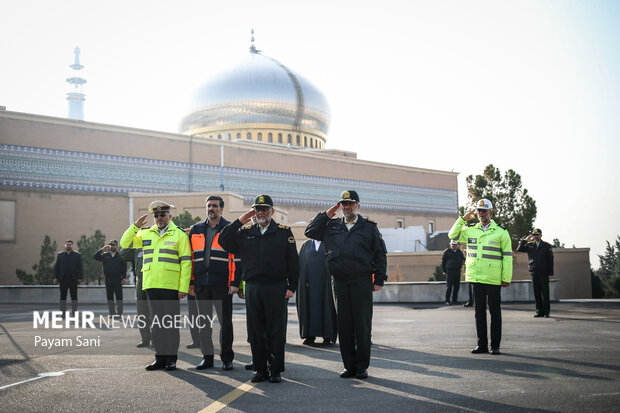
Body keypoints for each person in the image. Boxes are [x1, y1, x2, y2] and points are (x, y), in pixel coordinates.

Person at [305, 190, 387, 380]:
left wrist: (379, 279)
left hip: (361, 281)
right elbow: (309, 231)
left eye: (350, 204)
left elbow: (380, 254)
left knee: (363, 326)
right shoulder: (331, 225)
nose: (347, 207)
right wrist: (327, 214)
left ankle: (361, 367)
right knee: (344, 326)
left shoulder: (368, 227)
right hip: (340, 282)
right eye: (343, 204)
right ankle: (349, 366)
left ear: (358, 206)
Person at [219, 194, 299, 383]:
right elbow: (224, 241)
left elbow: (293, 263)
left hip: (276, 287)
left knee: (276, 330)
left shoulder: (283, 232)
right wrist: (240, 220)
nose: (261, 212)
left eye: (265, 209)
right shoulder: (245, 231)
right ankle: (260, 369)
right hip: (253, 287)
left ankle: (276, 369)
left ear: (272, 211)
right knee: (256, 331)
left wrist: (292, 286)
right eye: (257, 209)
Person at [120, 200, 192, 371]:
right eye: (157, 215)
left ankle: (171, 359)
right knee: (157, 324)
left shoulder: (179, 235)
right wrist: (135, 227)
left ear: (170, 216)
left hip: (171, 286)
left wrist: (183, 288)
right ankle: (160, 358)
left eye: (163, 214)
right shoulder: (146, 234)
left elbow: (186, 262)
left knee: (170, 324)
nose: (160, 218)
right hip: (151, 285)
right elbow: (125, 244)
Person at [448, 198, 512, 355]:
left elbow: (507, 256)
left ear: (491, 212)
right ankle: (482, 345)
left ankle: (495, 345)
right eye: (478, 211)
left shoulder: (501, 232)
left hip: (493, 277)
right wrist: (463, 218)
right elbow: (453, 235)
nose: (481, 214)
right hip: (476, 277)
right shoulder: (470, 230)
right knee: (479, 312)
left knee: (495, 312)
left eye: (484, 211)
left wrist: (506, 278)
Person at [188, 195, 241, 371]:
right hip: (202, 283)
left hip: (222, 284)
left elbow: (236, 258)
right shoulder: (195, 229)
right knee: (203, 322)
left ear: (221, 209)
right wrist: (191, 282)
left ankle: (227, 358)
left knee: (225, 323)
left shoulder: (229, 228)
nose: (211, 208)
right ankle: (207, 357)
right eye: (209, 206)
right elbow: (190, 258)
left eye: (215, 206)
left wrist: (234, 282)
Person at [296, 239, 337, 346]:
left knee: (326, 308)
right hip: (309, 285)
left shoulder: (329, 243)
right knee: (309, 308)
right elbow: (301, 264)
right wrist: (304, 280)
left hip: (326, 284)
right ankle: (309, 336)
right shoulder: (306, 245)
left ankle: (327, 336)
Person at [517, 228, 554, 317]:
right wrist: (525, 240)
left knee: (545, 293)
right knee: (536, 293)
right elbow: (519, 249)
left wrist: (550, 273)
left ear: (541, 235)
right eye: (534, 235)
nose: (535, 236)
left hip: (544, 272)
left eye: (537, 235)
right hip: (534, 272)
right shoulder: (529, 245)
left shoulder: (546, 245)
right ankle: (539, 312)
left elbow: (550, 260)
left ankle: (546, 312)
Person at [119, 246, 152, 347]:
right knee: (141, 311)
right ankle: (145, 339)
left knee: (153, 311)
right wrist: (133, 235)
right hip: (140, 279)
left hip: (153, 278)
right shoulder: (137, 248)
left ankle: (156, 339)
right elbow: (123, 254)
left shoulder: (155, 242)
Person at [93, 240, 127, 316]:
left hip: (118, 279)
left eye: (114, 245)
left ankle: (119, 313)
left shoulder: (121, 255)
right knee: (110, 297)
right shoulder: (105, 255)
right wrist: (102, 250)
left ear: (116, 246)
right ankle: (112, 313)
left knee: (119, 297)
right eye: (111, 245)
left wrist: (124, 278)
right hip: (108, 279)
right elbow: (95, 257)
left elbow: (124, 268)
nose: (112, 246)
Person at [53, 240, 83, 316]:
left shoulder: (77, 255)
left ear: (72, 246)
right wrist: (55, 277)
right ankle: (63, 313)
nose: (68, 245)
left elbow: (80, 267)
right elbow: (57, 267)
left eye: (70, 244)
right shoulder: (60, 255)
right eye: (67, 244)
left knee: (74, 296)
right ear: (65, 245)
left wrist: (80, 278)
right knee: (63, 296)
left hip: (73, 279)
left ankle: (74, 313)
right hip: (63, 279)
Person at [442, 239, 465, 305]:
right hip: (449, 271)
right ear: (450, 245)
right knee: (449, 286)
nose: (453, 246)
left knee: (456, 286)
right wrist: (444, 271)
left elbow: (463, 259)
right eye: (452, 245)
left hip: (457, 271)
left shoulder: (459, 252)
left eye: (455, 245)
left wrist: (463, 262)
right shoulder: (447, 252)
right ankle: (447, 300)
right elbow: (443, 262)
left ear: (457, 245)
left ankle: (454, 300)